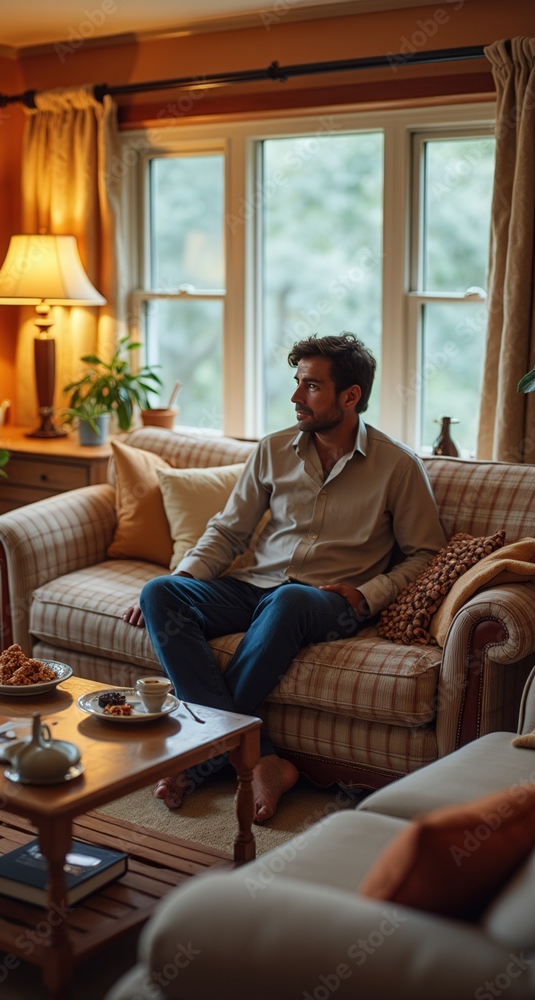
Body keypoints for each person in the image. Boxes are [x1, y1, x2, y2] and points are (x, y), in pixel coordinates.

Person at [121, 332, 445, 822]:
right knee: (160, 592)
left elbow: (426, 555)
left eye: (311, 386)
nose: (296, 397)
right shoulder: (272, 450)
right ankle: (262, 756)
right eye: (297, 383)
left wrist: (367, 594)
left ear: (350, 395)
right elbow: (228, 532)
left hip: (325, 602)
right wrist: (184, 576)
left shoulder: (398, 466)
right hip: (254, 588)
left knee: (290, 599)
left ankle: (197, 759)